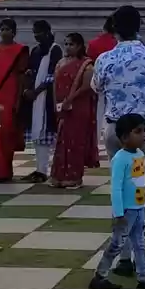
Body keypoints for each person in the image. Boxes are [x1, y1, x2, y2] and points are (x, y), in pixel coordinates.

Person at [92, 5, 145, 267]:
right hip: (142, 132)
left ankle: (122, 253)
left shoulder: (105, 58)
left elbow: (96, 86)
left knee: (119, 189)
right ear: (139, 26)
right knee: (141, 191)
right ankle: (138, 253)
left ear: (114, 28)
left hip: (115, 130)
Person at [88, 113, 145, 289]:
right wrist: (118, 213)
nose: (144, 135)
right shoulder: (120, 159)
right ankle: (99, 277)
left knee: (141, 245)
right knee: (116, 245)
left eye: (144, 131)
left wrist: (144, 202)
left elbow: (140, 181)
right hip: (126, 212)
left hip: (138, 210)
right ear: (124, 137)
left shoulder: (140, 155)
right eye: (138, 132)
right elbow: (116, 188)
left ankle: (144, 278)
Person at [0, 18, 30, 182]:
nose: (5, 32)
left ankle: (4, 171)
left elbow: (22, 76)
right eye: (2, 29)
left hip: (10, 93)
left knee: (6, 132)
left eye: (8, 29)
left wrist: (19, 99)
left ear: (14, 32)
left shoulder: (20, 50)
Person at [50, 33, 99, 187]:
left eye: (71, 44)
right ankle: (59, 176)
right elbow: (55, 84)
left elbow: (86, 87)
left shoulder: (87, 65)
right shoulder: (61, 63)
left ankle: (74, 177)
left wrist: (70, 99)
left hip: (79, 108)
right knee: (62, 142)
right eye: (66, 44)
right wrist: (57, 104)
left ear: (79, 46)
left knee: (75, 142)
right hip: (63, 108)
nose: (68, 47)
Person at [25, 20, 62, 183]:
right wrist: (27, 90)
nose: (36, 35)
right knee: (37, 133)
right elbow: (30, 71)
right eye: (34, 32)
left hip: (47, 97)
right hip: (35, 98)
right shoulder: (35, 51)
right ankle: (39, 169)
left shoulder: (55, 50)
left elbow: (53, 75)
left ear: (48, 32)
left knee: (46, 132)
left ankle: (45, 169)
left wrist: (37, 91)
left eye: (39, 32)